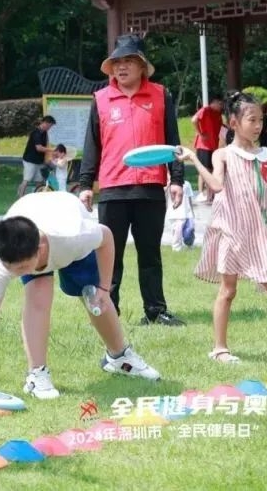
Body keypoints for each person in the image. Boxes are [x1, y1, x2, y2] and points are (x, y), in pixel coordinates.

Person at [0, 192, 161, 404]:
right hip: (31, 215)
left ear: (39, 249)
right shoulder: (5, 258)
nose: (15, 274)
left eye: (21, 268)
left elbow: (107, 238)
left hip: (64, 225)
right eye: (12, 269)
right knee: (38, 292)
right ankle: (37, 375)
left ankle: (119, 356)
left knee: (93, 295)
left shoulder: (74, 236)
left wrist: (104, 288)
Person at [179, 91, 267, 368]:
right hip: (231, 230)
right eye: (251, 119)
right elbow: (217, 186)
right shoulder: (222, 155)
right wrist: (195, 160)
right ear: (233, 123)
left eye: (260, 120)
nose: (258, 125)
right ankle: (219, 348)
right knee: (228, 291)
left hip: (259, 232)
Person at [78, 34, 185, 326]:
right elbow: (92, 145)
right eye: (117, 63)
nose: (121, 68)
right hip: (113, 188)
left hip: (150, 186)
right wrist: (86, 184)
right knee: (110, 256)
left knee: (150, 253)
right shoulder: (100, 100)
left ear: (141, 66)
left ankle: (155, 310)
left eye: (128, 62)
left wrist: (176, 178)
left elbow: (172, 141)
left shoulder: (162, 96)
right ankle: (108, 308)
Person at [191, 94, 224, 202]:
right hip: (204, 145)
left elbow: (221, 126)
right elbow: (194, 120)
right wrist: (200, 133)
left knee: (213, 169)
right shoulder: (206, 110)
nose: (221, 106)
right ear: (213, 102)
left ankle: (210, 194)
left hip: (214, 145)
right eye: (219, 103)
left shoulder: (218, 114)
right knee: (204, 169)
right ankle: (200, 193)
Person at [17, 116, 55, 197]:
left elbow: (45, 146)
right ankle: (20, 197)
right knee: (27, 179)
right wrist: (52, 150)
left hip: (38, 161)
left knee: (39, 180)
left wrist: (46, 158)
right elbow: (39, 148)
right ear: (45, 123)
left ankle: (38, 197)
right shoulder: (36, 133)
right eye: (50, 126)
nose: (50, 128)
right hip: (30, 160)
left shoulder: (44, 133)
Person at [165, 179, 196, 252]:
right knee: (177, 231)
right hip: (174, 213)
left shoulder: (187, 184)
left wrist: (192, 211)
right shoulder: (168, 184)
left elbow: (189, 198)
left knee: (190, 229)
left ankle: (189, 243)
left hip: (187, 212)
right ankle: (176, 248)